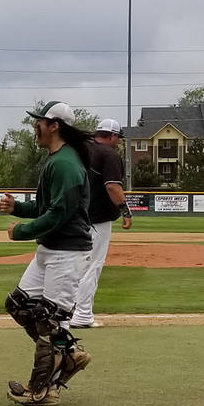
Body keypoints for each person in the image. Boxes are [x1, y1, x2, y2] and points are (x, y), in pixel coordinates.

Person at [0, 100, 94, 406]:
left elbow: (58, 215)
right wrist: (19, 208)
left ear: (55, 126)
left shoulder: (66, 163)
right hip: (51, 249)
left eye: (39, 121)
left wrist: (22, 231)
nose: (34, 126)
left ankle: (41, 390)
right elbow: (44, 208)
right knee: (19, 305)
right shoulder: (56, 159)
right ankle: (67, 356)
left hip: (67, 253)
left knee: (47, 320)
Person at [71, 118, 133, 329]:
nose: (118, 142)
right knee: (92, 266)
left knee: (73, 265)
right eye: (118, 137)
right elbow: (113, 187)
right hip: (97, 219)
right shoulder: (109, 154)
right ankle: (82, 314)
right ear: (113, 136)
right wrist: (125, 210)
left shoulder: (80, 148)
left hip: (74, 216)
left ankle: (65, 312)